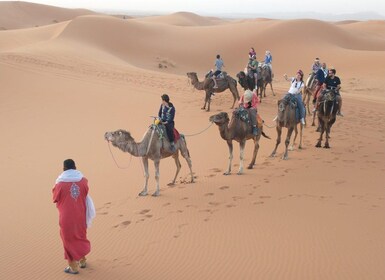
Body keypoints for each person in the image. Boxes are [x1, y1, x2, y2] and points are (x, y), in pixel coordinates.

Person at [53, 159, 93, 275]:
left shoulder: (59, 184)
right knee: (80, 235)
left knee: (68, 239)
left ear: (64, 169)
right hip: (81, 214)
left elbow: (55, 198)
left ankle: (73, 267)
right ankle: (82, 260)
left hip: (66, 217)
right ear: (75, 167)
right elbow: (85, 193)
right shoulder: (84, 181)